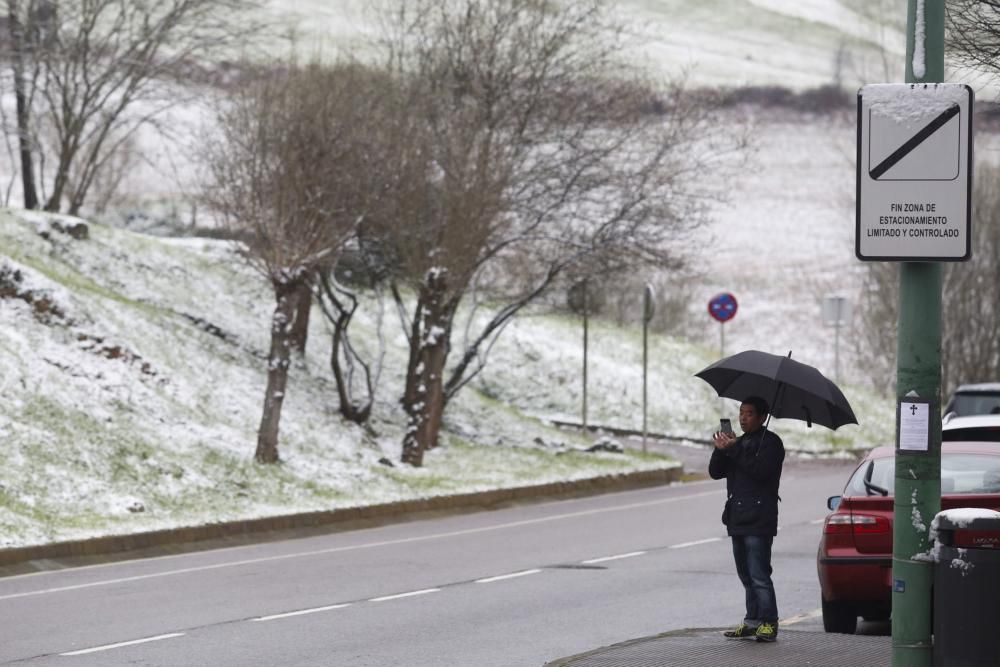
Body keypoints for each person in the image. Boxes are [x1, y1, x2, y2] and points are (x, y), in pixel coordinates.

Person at [708, 396, 785, 643]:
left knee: (759, 573)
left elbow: (760, 472)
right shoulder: (738, 442)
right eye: (741, 412)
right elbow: (715, 473)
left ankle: (769, 623)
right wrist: (721, 451)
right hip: (737, 517)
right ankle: (752, 621)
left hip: (759, 517)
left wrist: (735, 450)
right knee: (745, 574)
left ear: (762, 417)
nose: (743, 417)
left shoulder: (771, 444)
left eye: (749, 413)